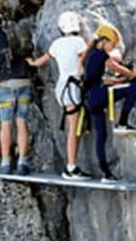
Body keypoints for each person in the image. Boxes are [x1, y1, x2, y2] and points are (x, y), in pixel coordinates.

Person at [28, 11, 91, 180]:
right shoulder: (79, 42)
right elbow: (84, 59)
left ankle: (72, 165)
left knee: (74, 127)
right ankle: (71, 167)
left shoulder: (56, 44)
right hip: (73, 87)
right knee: (73, 128)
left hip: (62, 87)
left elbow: (39, 62)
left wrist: (30, 62)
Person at [82, 22, 136, 182]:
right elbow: (115, 66)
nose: (112, 47)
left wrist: (117, 80)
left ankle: (106, 174)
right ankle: (123, 121)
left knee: (101, 136)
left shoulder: (90, 54)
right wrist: (132, 74)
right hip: (98, 95)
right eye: (112, 44)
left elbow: (94, 78)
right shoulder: (101, 54)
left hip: (90, 100)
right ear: (104, 40)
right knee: (135, 86)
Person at [0, 8, 34, 175]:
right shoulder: (13, 33)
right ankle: (23, 163)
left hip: (6, 85)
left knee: (6, 123)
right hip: (25, 81)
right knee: (21, 121)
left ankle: (6, 163)